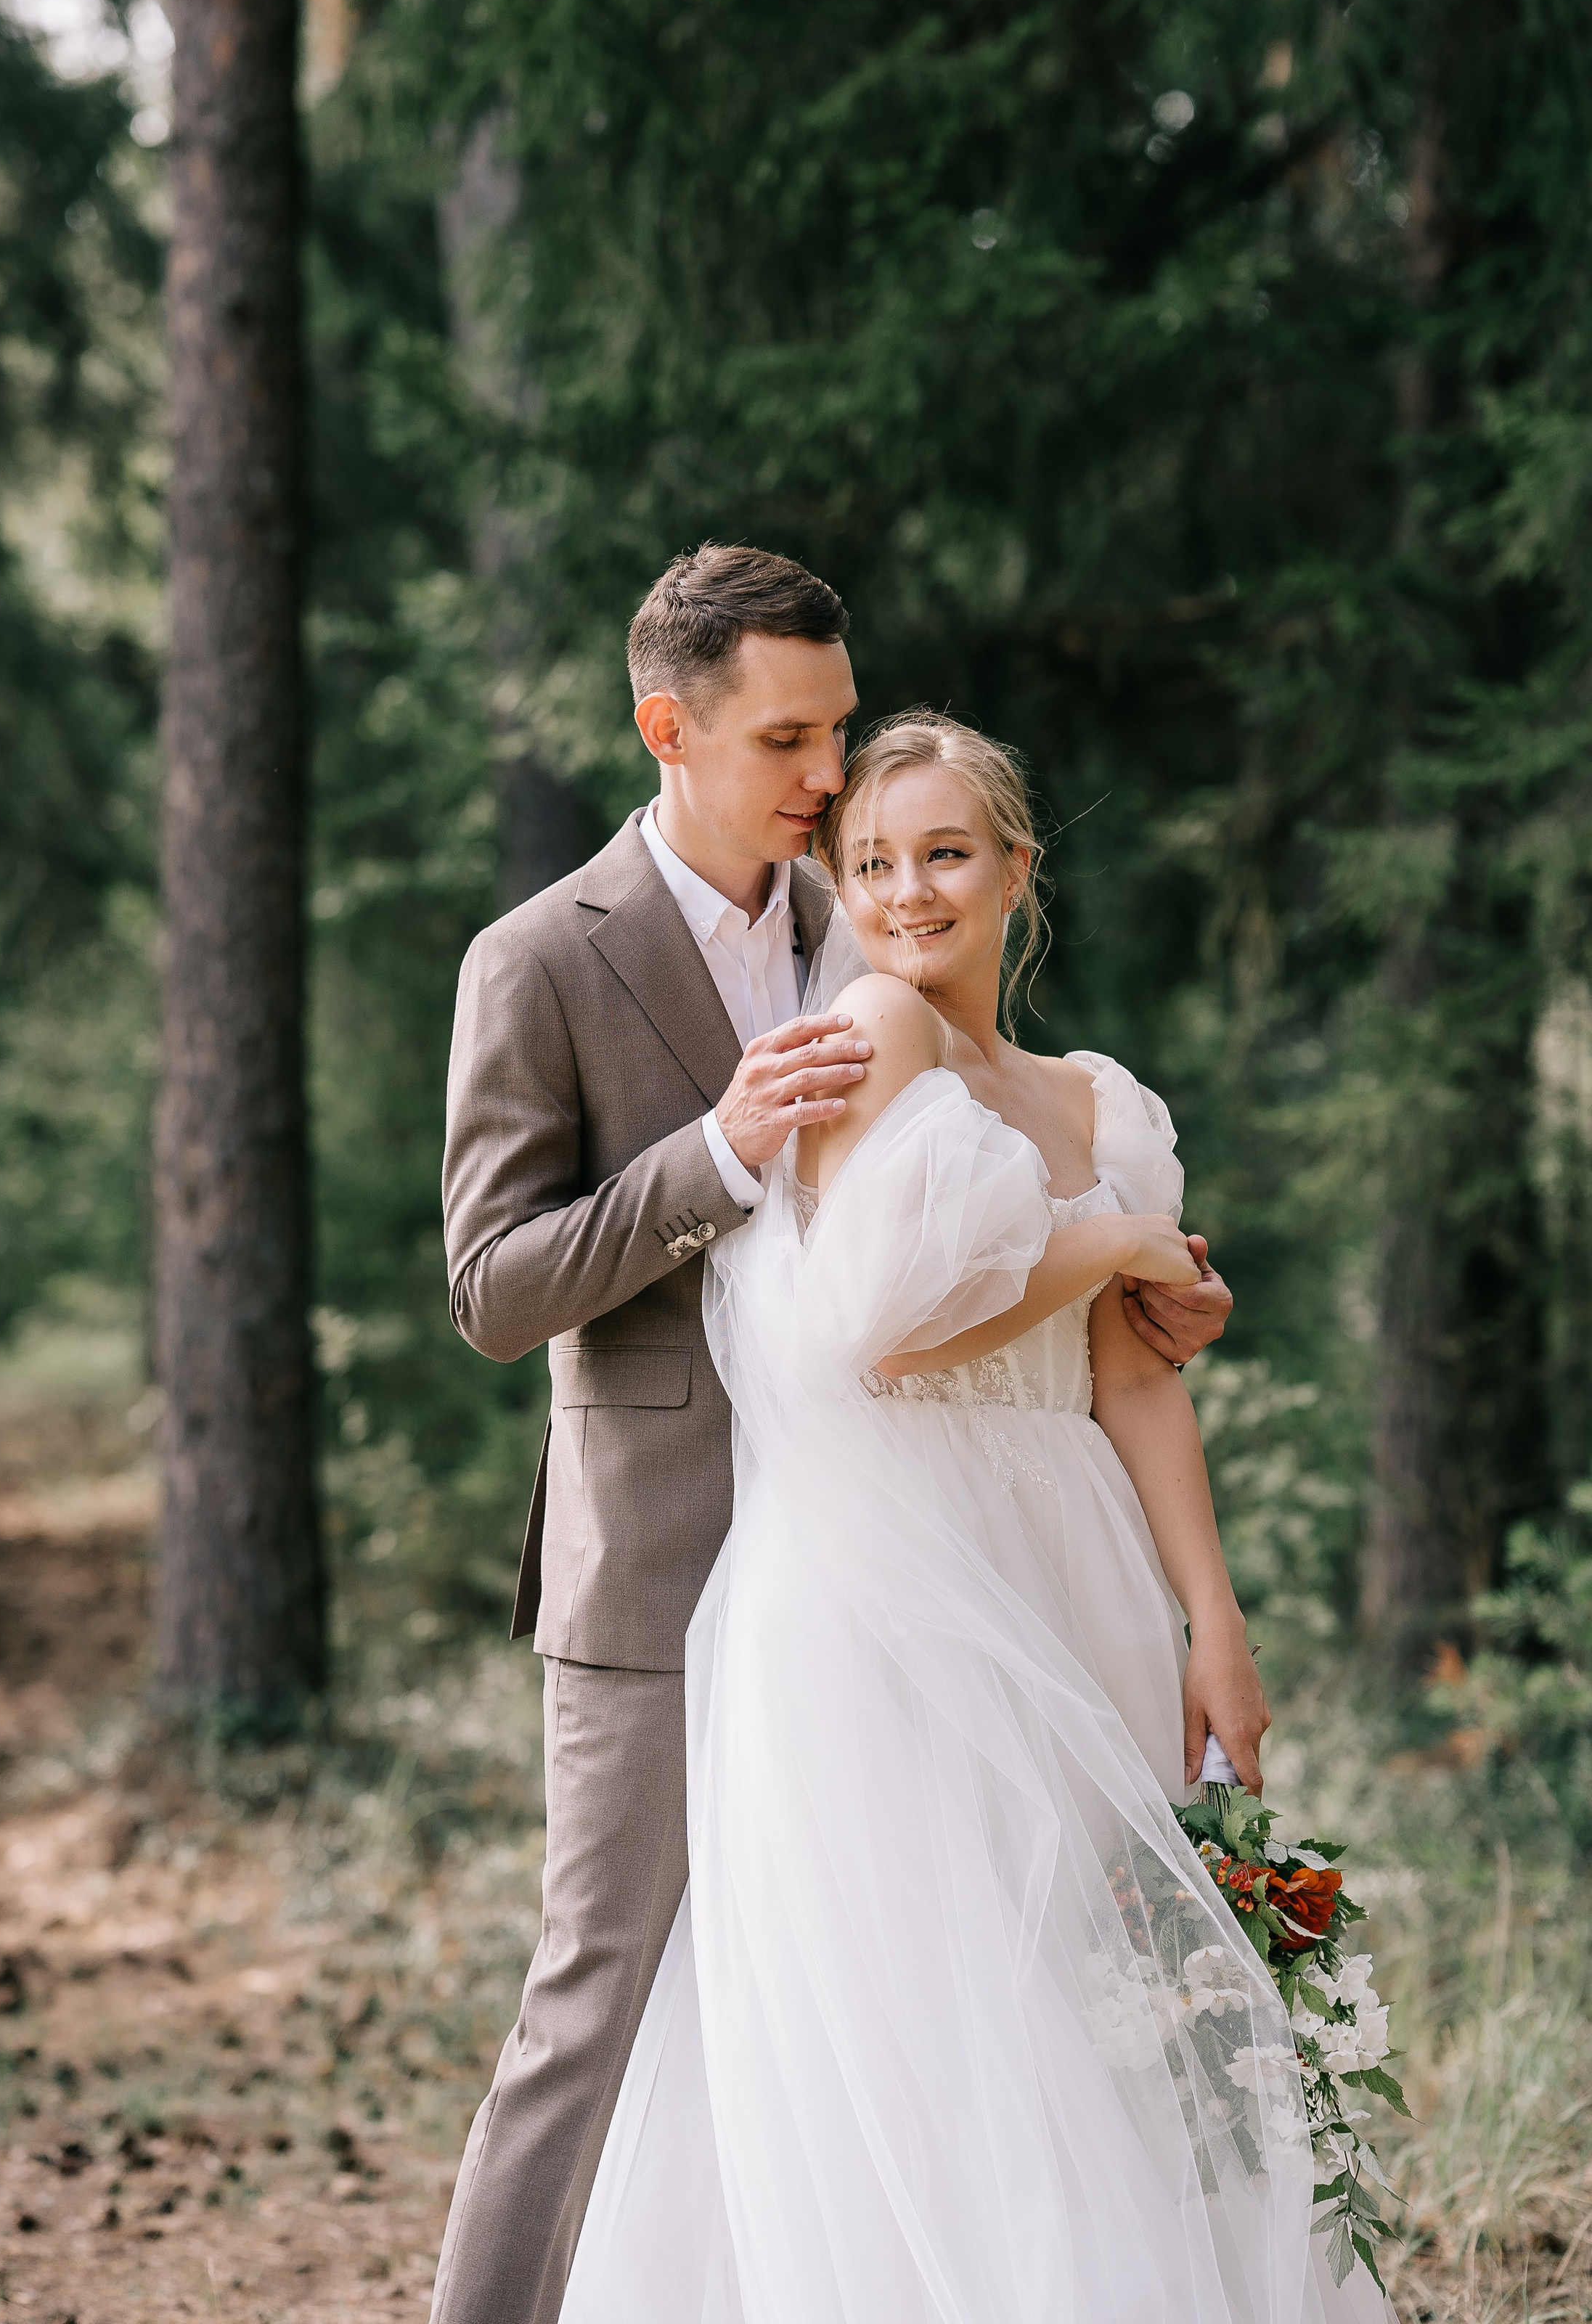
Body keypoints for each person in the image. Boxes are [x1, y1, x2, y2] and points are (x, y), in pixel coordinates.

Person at [436, 554, 1233, 2324]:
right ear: (671, 729)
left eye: (839, 727)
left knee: (878, 2015)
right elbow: (490, 1289)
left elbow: (981, 1209)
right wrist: (709, 1156)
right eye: (787, 736)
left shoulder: (861, 914)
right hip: (656, 1566)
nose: (826, 772)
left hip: (900, 1558)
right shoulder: (538, 961)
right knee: (601, 2005)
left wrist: (1141, 1276)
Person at [555, 711, 1387, 2324]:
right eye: (868, 861)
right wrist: (1120, 1246)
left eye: (942, 854)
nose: (904, 893)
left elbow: (1131, 1384)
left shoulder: (1090, 1098)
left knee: (1092, 1996)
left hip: (1066, 1563)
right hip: (889, 1587)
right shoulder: (873, 1033)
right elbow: (889, 1326)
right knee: (944, 2008)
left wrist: (1209, 1620)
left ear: (1017, 867)